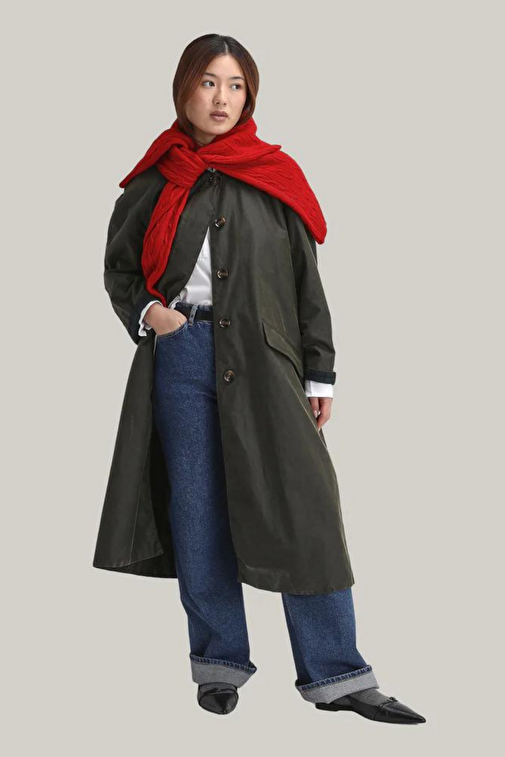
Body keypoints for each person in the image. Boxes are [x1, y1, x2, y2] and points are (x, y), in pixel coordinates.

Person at [94, 33, 426, 724]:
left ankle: (338, 675)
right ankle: (218, 663)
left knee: (304, 511)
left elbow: (306, 283)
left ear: (249, 95)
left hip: (267, 359)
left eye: (235, 85)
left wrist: (320, 372)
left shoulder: (273, 175)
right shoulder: (154, 179)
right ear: (184, 88)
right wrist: (150, 313)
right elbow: (121, 269)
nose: (222, 98)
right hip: (181, 358)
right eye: (208, 82)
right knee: (197, 513)